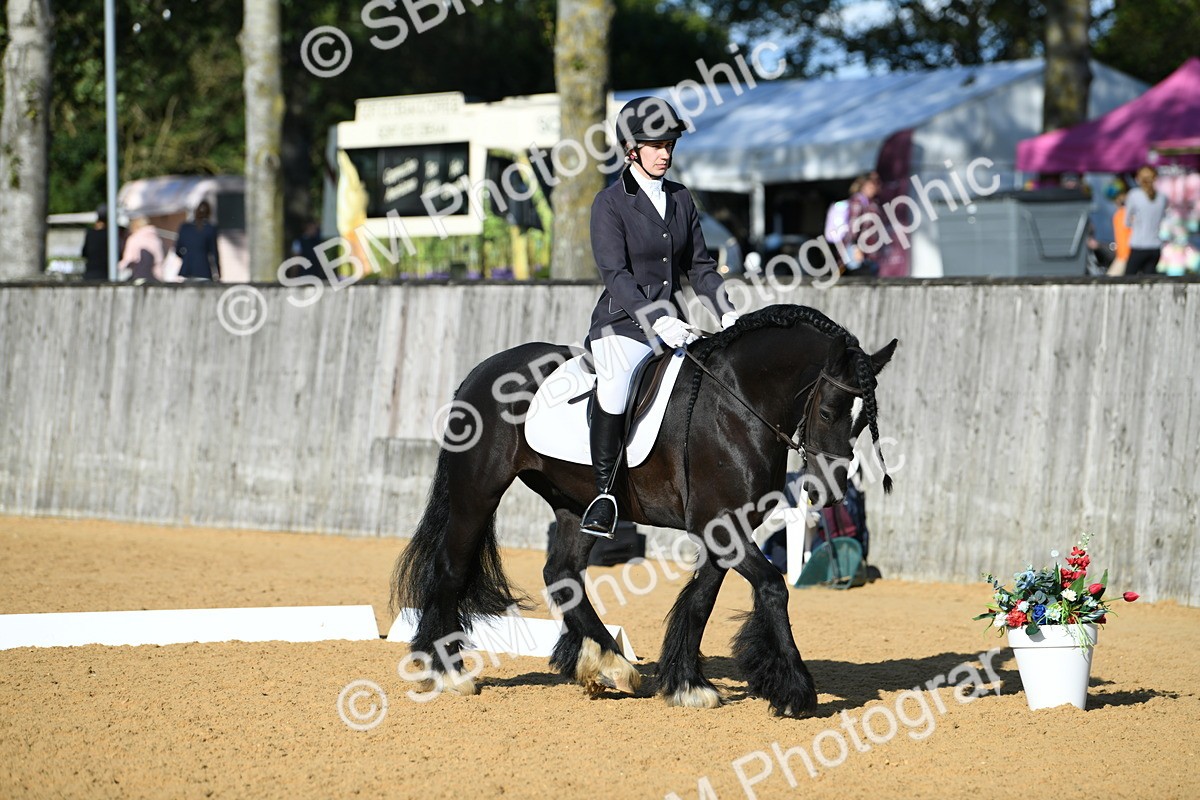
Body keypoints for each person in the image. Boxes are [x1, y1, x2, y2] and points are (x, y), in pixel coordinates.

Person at [580, 96, 739, 538]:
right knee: (615, 386)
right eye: (656, 145)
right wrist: (656, 319)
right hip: (623, 323)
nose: (665, 153)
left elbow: (701, 267)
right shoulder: (609, 203)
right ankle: (604, 495)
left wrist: (727, 313)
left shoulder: (681, 198)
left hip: (676, 325)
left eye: (669, 144)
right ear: (631, 150)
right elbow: (615, 275)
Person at [1124, 166, 1167, 275]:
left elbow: (1126, 222)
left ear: (1138, 179)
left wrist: (1136, 222)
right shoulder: (1162, 197)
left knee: (1128, 278)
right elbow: (1163, 217)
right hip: (1155, 246)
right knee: (1149, 279)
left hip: (1139, 245)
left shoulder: (1134, 195)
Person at [844, 172, 882, 276]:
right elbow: (853, 226)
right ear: (864, 185)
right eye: (873, 184)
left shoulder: (873, 202)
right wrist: (855, 247)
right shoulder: (858, 201)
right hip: (860, 251)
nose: (876, 188)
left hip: (871, 252)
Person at [175, 200, 221, 281]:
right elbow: (214, 253)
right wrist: (219, 272)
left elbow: (177, 250)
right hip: (204, 270)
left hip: (187, 270)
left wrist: (187, 257)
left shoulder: (185, 228)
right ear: (209, 213)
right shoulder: (210, 229)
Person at [119, 213, 164, 283]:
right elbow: (159, 259)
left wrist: (118, 268)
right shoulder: (156, 239)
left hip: (139, 274)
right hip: (154, 276)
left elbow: (128, 259)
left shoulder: (134, 238)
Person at [81, 204, 113, 281]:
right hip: (105, 274)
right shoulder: (111, 235)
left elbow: (84, 253)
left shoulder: (90, 233)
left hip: (90, 273)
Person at [1107, 181, 1131, 276]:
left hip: (1124, 255)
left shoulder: (1122, 213)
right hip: (1123, 255)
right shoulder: (1122, 213)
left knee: (1110, 281)